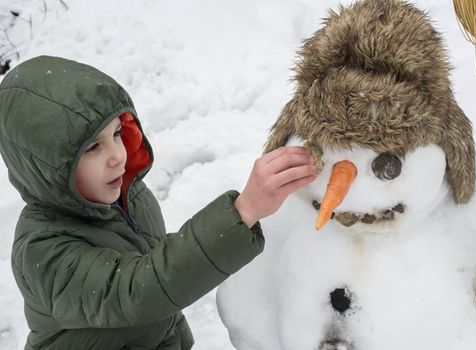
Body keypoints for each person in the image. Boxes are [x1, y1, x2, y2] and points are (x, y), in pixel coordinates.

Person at [0, 55, 317, 350]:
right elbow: (137, 291)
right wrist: (243, 211)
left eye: (116, 132)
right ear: (48, 168)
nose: (117, 155)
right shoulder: (42, 252)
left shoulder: (126, 195)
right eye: (93, 148)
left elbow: (160, 265)